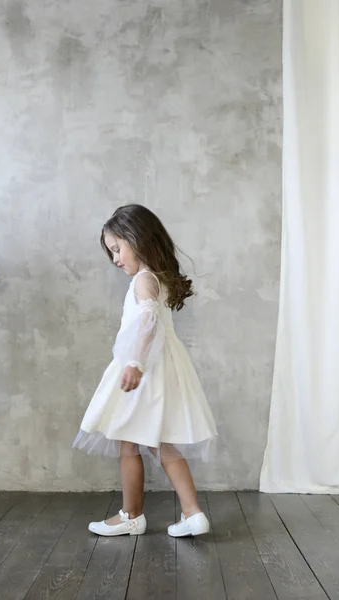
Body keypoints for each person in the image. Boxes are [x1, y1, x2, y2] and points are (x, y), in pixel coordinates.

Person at [73, 204, 217, 537]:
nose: (115, 258)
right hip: (160, 368)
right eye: (111, 252)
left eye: (117, 248)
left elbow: (149, 322)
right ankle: (190, 514)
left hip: (144, 371)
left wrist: (135, 364)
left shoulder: (143, 281)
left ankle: (132, 515)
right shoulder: (157, 279)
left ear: (137, 240)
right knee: (157, 444)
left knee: (132, 443)